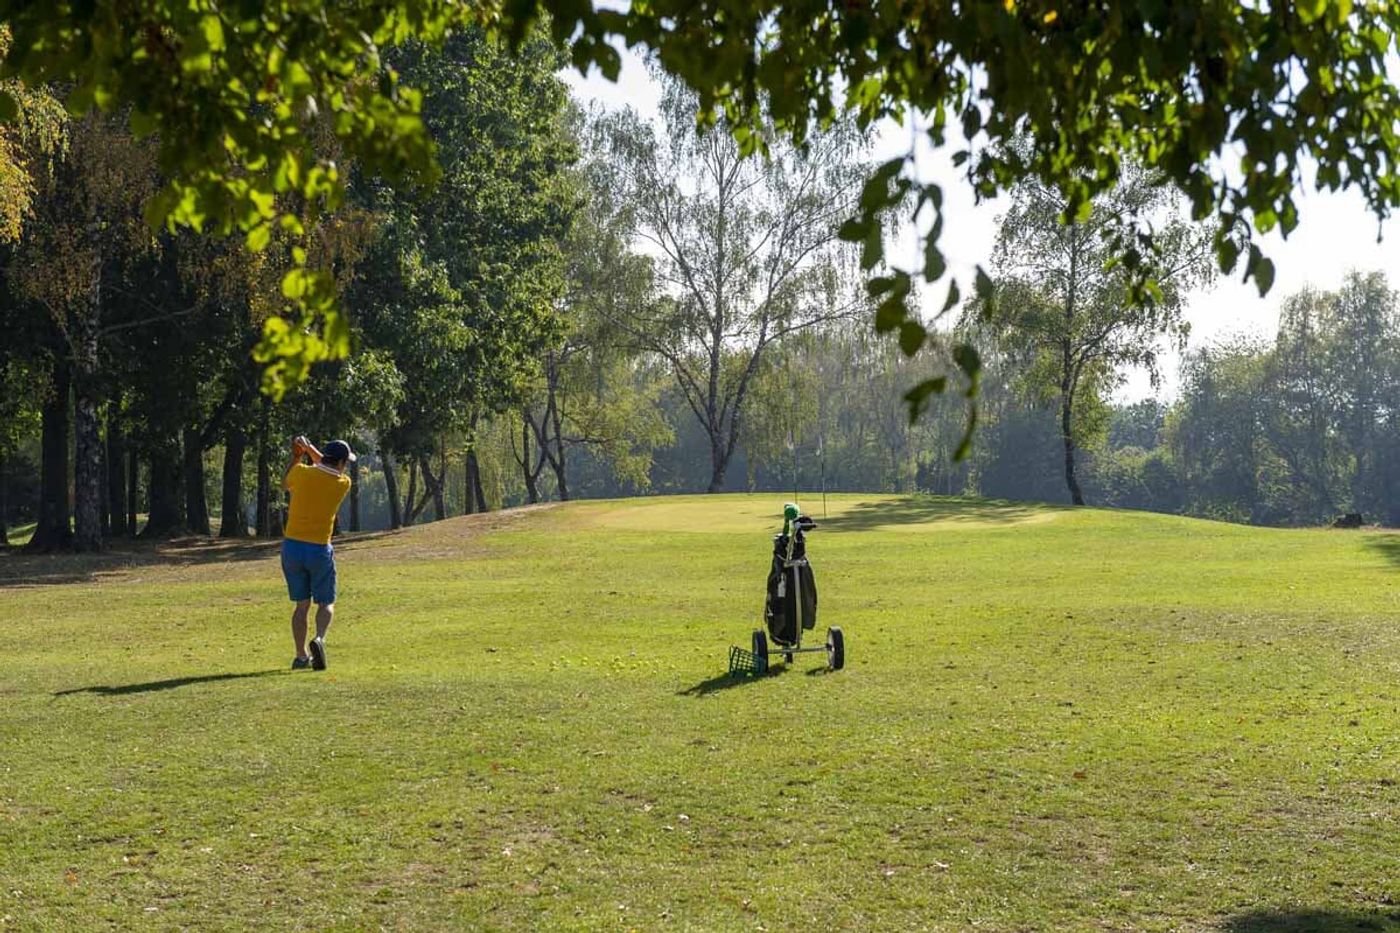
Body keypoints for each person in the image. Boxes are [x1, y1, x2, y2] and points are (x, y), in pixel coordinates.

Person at [281, 435, 355, 671]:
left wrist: (298, 453)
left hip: (292, 547)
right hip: (319, 548)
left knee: (301, 605)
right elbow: (325, 464)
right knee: (325, 602)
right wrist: (310, 448)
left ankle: (301, 656)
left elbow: (286, 483)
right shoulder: (343, 483)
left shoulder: (301, 473)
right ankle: (319, 639)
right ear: (342, 463)